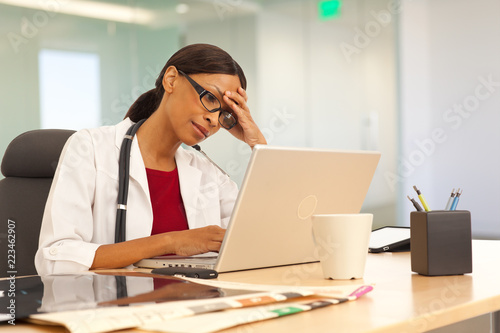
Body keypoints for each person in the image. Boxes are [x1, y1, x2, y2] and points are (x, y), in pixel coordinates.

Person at [35, 44, 267, 275]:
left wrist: (258, 144)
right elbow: (57, 257)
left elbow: (261, 240)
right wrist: (170, 242)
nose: (214, 120)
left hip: (196, 306)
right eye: (210, 98)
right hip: (117, 307)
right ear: (172, 79)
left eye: (225, 114)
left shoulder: (208, 173)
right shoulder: (91, 148)